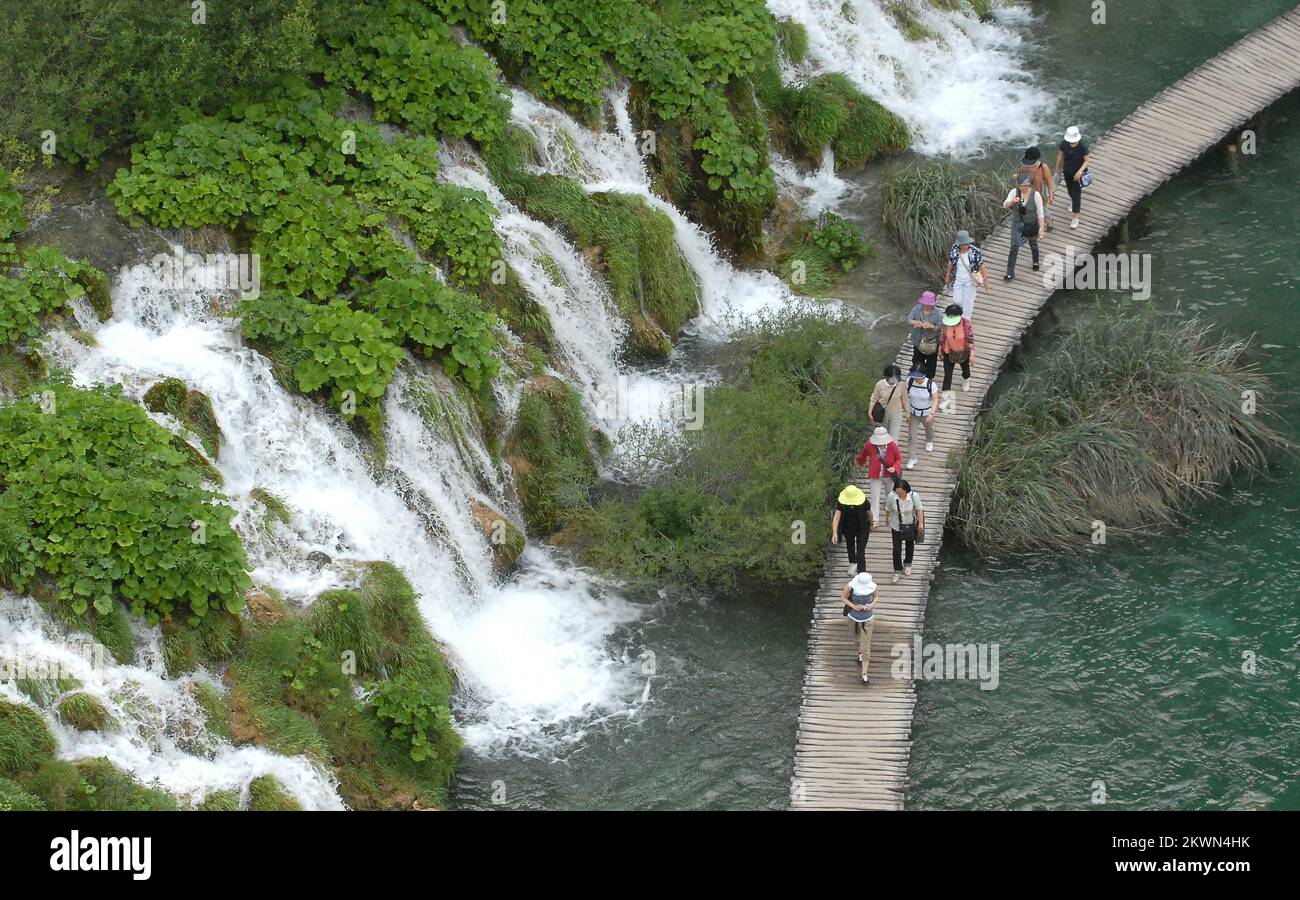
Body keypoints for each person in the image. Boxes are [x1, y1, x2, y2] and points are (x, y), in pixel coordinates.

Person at [855, 425, 903, 527]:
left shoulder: (892, 446)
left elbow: (899, 459)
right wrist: (860, 463)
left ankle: (890, 516)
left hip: (889, 475)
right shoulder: (870, 445)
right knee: (874, 497)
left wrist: (894, 467)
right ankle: (875, 520)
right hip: (875, 474)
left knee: (889, 495)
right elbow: (863, 455)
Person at [839, 571, 879, 685]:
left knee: (866, 646)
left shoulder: (873, 587)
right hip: (853, 618)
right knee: (856, 640)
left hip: (868, 619)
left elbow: (876, 597)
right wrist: (854, 606)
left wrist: (871, 605)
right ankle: (859, 654)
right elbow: (843, 597)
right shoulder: (850, 586)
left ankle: (864, 674)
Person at [1002, 174, 1044, 280]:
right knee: (1014, 247)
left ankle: (1035, 261)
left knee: (1033, 243)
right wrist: (1012, 202)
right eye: (1022, 185)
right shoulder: (1013, 192)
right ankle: (1010, 272)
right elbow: (1005, 204)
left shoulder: (1036, 195)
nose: (1024, 187)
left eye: (1026, 185)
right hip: (1017, 225)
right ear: (1018, 185)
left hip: (1031, 224)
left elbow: (1040, 213)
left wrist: (1041, 228)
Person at [885, 480, 925, 583]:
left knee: (909, 545)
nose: (899, 494)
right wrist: (887, 518)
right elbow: (888, 508)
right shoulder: (892, 496)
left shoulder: (914, 496)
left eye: (901, 492)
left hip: (910, 524)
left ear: (906, 490)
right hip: (896, 525)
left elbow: (919, 509)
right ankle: (897, 570)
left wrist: (920, 524)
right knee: (896, 549)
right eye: (897, 492)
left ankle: (908, 564)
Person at [944, 230, 988, 321]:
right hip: (958, 280)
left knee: (968, 302)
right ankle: (959, 316)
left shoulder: (975, 252)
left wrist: (985, 279)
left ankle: (966, 320)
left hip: (970, 281)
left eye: (966, 243)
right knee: (957, 301)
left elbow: (981, 265)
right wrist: (948, 275)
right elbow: (951, 262)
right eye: (962, 244)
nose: (964, 246)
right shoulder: (955, 249)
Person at [1054, 125, 1091, 230]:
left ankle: (1075, 217)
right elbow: (1060, 155)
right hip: (1067, 171)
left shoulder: (1082, 147)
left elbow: (1087, 161)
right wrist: (1057, 168)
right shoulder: (1064, 144)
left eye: (1074, 142)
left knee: (1076, 194)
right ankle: (1072, 201)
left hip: (1078, 174)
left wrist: (1080, 172)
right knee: (1070, 190)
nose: (1072, 143)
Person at [831, 484, 870, 575]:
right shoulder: (841, 503)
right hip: (847, 526)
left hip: (862, 526)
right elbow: (836, 517)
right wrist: (834, 533)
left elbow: (869, 513)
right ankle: (852, 563)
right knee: (850, 545)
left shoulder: (864, 502)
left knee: (861, 549)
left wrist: (871, 523)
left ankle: (862, 572)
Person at [904, 369, 937, 470]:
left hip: (926, 413)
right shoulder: (909, 381)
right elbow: (905, 397)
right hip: (913, 413)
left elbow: (935, 400)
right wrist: (907, 413)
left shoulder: (931, 384)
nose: (915, 379)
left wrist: (932, 413)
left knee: (929, 429)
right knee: (911, 436)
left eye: (917, 377)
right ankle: (912, 458)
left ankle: (929, 440)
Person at [939, 303, 973, 395]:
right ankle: (945, 397)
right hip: (948, 351)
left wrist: (972, 354)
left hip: (962, 351)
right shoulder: (945, 323)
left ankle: (966, 379)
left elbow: (970, 340)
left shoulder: (965, 324)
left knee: (966, 371)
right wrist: (940, 349)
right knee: (947, 375)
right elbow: (942, 336)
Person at [1018, 146, 1054, 232]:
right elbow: (1020, 179)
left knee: (1040, 209)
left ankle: (1049, 222)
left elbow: (1050, 182)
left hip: (1040, 192)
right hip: (1027, 192)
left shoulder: (1043, 167)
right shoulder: (1023, 166)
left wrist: (1051, 195)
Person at [908, 290, 943, 378]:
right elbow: (909, 319)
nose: (926, 306)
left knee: (931, 363)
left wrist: (931, 327)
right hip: (918, 339)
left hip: (931, 342)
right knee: (917, 359)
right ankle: (917, 376)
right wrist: (914, 322)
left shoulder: (937, 313)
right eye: (925, 304)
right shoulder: (917, 308)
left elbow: (940, 327)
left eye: (929, 305)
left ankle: (929, 379)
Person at [869, 364, 907, 442]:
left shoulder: (901, 385)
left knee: (893, 439)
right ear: (886, 377)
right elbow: (874, 399)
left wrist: (907, 413)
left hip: (896, 413)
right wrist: (870, 412)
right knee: (882, 437)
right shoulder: (880, 384)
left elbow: (905, 400)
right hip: (882, 413)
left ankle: (892, 453)